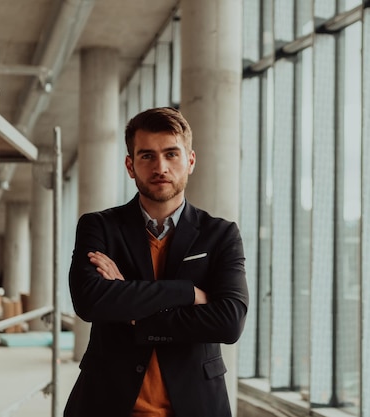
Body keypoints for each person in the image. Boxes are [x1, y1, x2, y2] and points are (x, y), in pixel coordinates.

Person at [64, 107, 249, 417]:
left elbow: (229, 321)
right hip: (106, 402)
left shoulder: (221, 234)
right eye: (147, 156)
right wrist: (188, 293)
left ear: (190, 160)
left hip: (196, 405)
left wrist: (132, 308)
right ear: (130, 165)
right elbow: (89, 302)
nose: (160, 167)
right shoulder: (99, 227)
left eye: (171, 154)